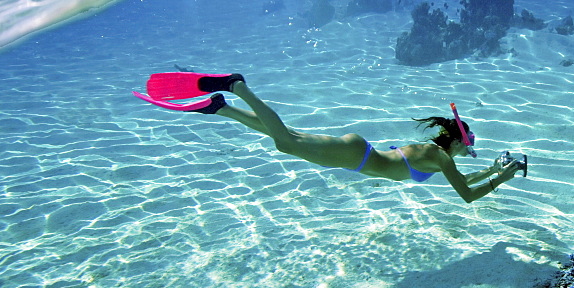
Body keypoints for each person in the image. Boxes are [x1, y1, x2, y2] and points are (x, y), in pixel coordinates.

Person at [133, 73, 524, 203]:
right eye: (466, 144)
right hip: (355, 156)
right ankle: (237, 87)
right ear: (456, 142)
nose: (464, 151)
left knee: (287, 135)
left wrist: (493, 167)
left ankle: (221, 107)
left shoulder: (438, 156)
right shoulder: (440, 159)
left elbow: (465, 180)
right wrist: (505, 176)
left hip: (357, 150)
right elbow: (468, 196)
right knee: (285, 141)